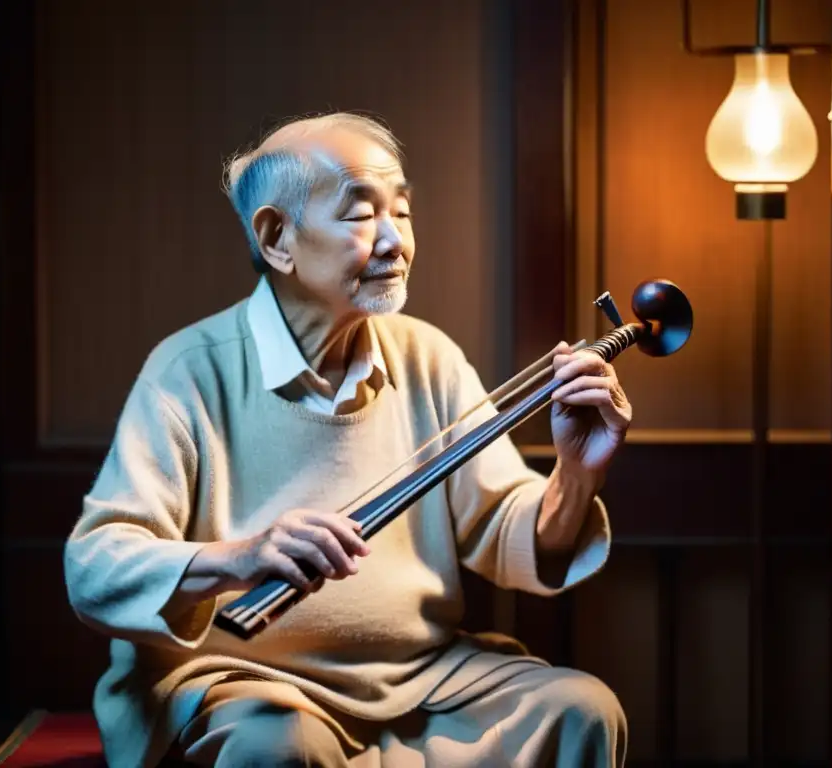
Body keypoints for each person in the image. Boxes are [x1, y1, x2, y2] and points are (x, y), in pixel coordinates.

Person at [64, 111, 632, 768]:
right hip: (245, 682)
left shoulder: (429, 357)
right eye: (361, 214)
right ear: (277, 239)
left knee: (583, 709)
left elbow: (508, 532)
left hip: (421, 675)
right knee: (272, 747)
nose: (396, 241)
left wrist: (576, 473)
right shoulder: (188, 370)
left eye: (404, 212)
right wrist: (242, 557)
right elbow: (96, 566)